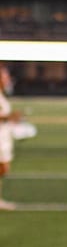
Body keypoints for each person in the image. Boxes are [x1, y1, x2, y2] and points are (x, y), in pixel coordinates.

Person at [0, 65, 22, 210]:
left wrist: (11, 119)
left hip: (4, 135)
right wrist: (10, 116)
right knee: (3, 167)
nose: (7, 79)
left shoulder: (2, 95)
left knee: (4, 168)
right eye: (5, 76)